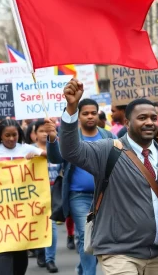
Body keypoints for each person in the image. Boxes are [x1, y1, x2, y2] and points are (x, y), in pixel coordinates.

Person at [54, 78, 158, 275]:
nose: (149, 122)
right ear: (127, 122)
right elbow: (71, 151)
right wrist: (71, 109)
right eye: (142, 118)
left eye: (153, 118)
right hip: (119, 253)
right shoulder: (108, 150)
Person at [46, 98, 115, 275]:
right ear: (78, 116)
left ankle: (82, 267)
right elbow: (55, 159)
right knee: (87, 235)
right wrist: (53, 139)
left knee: (104, 236)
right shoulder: (70, 137)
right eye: (85, 113)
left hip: (105, 196)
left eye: (93, 113)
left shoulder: (108, 136)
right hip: (79, 196)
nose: (90, 116)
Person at [0, 119, 46, 275]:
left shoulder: (25, 148)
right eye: (7, 135)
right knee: (3, 250)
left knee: (20, 251)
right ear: (0, 135)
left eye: (14, 135)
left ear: (19, 134)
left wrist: (37, 154)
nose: (11, 138)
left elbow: (51, 156)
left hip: (22, 211)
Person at [33, 120, 60, 273]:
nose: (44, 133)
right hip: (34, 194)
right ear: (35, 134)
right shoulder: (29, 150)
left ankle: (50, 259)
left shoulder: (58, 148)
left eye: (47, 130)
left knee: (51, 225)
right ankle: (39, 250)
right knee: (36, 225)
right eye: (41, 131)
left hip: (53, 192)